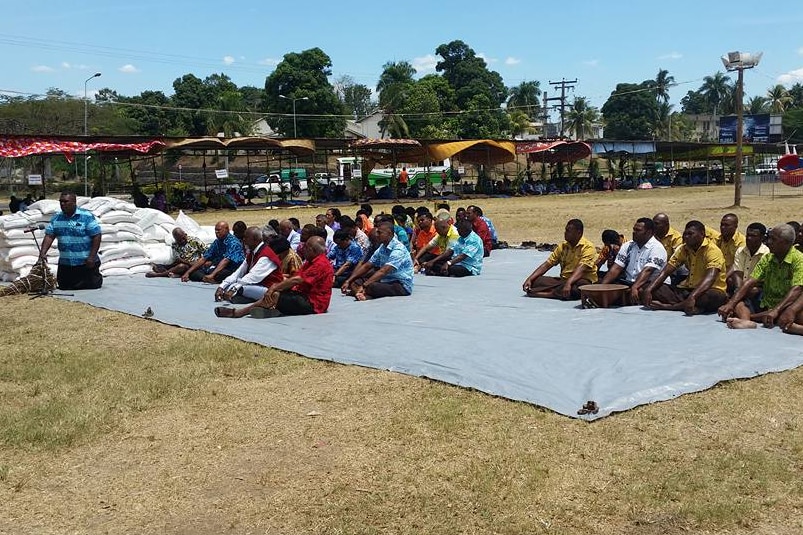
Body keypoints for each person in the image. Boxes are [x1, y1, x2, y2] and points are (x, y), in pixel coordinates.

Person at [215, 236, 334, 318]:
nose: (302, 250)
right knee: (271, 293)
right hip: (297, 292)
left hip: (313, 303)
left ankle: (240, 312)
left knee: (272, 294)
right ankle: (270, 307)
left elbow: (296, 279)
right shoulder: (310, 261)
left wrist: (275, 287)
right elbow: (295, 276)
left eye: (306, 248)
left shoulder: (320, 263)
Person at [718, 224, 803, 329]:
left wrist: (776, 310)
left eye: (773, 239)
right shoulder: (768, 258)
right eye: (769, 238)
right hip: (766, 302)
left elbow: (797, 289)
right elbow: (750, 281)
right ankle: (747, 321)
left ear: (786, 243)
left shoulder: (799, 259)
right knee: (737, 301)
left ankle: (750, 318)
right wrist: (730, 304)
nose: (768, 242)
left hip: (786, 304)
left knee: (795, 314)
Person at [643, 220, 727, 315]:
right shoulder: (683, 249)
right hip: (689, 290)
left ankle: (670, 307)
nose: (686, 237)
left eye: (690, 234)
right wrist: (649, 289)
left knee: (708, 297)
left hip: (709, 290)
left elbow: (710, 279)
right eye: (685, 234)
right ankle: (690, 306)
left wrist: (693, 296)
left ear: (702, 234)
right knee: (650, 286)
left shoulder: (712, 250)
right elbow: (666, 271)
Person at [37, 191, 103, 290]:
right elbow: (49, 236)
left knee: (92, 286)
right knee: (65, 287)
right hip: (66, 264)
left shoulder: (86, 216)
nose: (62, 204)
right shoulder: (56, 218)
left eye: (66, 202)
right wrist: (43, 253)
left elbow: (96, 236)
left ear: (74, 202)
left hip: (85, 263)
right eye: (61, 202)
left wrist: (92, 257)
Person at [522, 218, 597, 300]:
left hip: (580, 280)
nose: (565, 233)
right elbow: (547, 264)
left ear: (579, 232)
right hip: (563, 280)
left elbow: (581, 269)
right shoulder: (562, 246)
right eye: (565, 230)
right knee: (536, 281)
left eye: (568, 231)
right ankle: (558, 291)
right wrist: (530, 279)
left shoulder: (588, 247)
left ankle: (548, 294)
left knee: (578, 289)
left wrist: (569, 283)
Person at [600, 218, 667, 305]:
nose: (634, 232)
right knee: (601, 283)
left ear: (649, 232)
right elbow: (616, 268)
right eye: (634, 229)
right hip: (629, 282)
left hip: (648, 283)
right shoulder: (628, 246)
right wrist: (601, 287)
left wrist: (635, 287)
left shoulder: (657, 248)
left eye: (638, 230)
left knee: (642, 291)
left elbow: (648, 271)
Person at [342, 221, 414, 300]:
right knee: (355, 282)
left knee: (372, 286)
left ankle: (363, 293)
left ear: (389, 233)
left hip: (400, 284)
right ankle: (363, 294)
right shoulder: (382, 247)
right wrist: (348, 280)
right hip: (385, 280)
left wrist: (364, 285)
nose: (377, 235)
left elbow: (384, 271)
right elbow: (367, 265)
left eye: (379, 233)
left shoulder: (398, 249)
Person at [214, 226, 283, 304]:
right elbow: (238, 273)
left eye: (246, 237)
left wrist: (234, 289)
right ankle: (246, 298)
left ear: (255, 240)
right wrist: (221, 286)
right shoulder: (251, 253)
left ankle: (251, 299)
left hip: (269, 289)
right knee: (228, 286)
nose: (243, 239)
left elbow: (252, 277)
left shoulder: (266, 256)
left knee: (239, 288)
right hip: (255, 286)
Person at [727, 222, 769, 299]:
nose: (749, 238)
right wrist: (739, 291)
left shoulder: (767, 253)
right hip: (742, 286)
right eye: (748, 235)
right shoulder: (740, 250)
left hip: (758, 287)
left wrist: (740, 293)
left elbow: (759, 280)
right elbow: (738, 273)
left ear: (762, 238)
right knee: (730, 280)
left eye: (753, 236)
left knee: (753, 291)